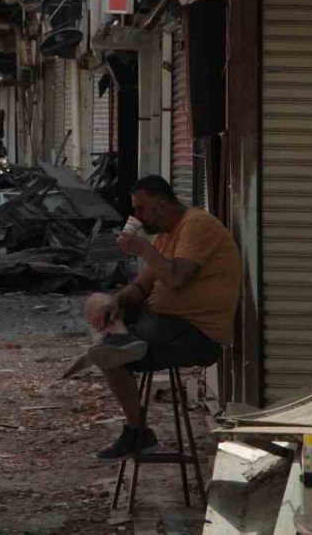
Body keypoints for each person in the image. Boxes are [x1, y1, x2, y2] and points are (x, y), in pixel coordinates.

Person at [83, 175, 240, 460]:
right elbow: (141, 288)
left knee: (109, 356)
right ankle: (122, 339)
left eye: (140, 208)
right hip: (162, 323)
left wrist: (143, 248)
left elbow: (176, 278)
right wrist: (115, 301)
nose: (137, 216)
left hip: (195, 332)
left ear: (160, 205)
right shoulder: (167, 236)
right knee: (96, 301)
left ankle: (137, 432)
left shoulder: (197, 225)